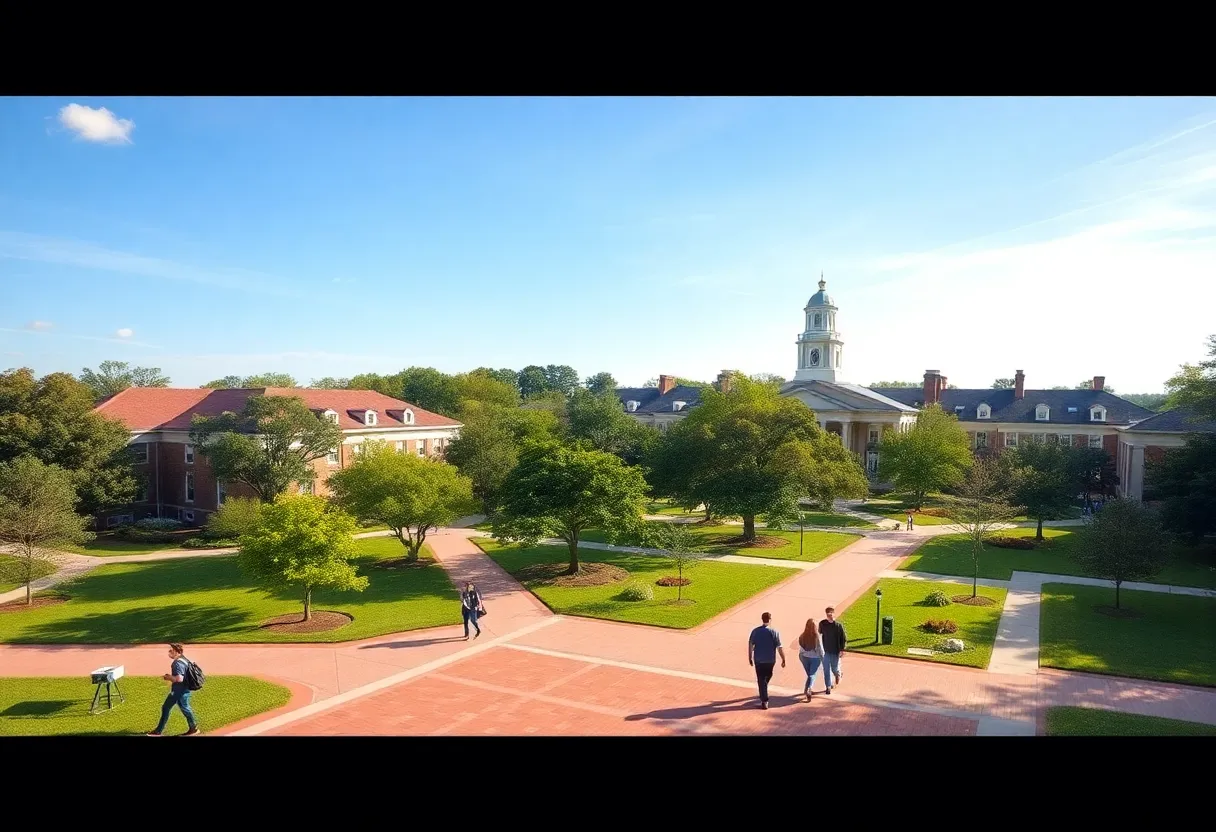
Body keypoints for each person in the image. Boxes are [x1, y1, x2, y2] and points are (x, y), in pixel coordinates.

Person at [147, 642, 200, 736]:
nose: (169, 652)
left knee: (166, 707)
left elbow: (179, 678)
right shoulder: (184, 660)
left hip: (178, 691)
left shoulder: (177, 663)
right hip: (185, 689)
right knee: (185, 708)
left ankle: (158, 731)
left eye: (171, 650)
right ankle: (193, 728)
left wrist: (169, 677)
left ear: (176, 651)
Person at [747, 611, 786, 709]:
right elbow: (779, 647)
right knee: (766, 677)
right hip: (770, 660)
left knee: (762, 679)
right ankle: (764, 699)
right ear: (770, 619)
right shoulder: (774, 632)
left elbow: (751, 644)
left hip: (759, 660)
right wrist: (783, 658)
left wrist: (750, 657)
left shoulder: (755, 631)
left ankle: (763, 694)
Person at [818, 607, 847, 695]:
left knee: (834, 669)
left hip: (835, 651)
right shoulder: (822, 624)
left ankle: (838, 674)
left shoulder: (838, 626)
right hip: (826, 651)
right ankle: (828, 686)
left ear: (834, 614)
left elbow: (843, 638)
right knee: (826, 669)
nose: (830, 616)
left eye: (831, 614)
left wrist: (842, 650)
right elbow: (820, 632)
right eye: (828, 614)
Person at [795, 618, 824, 702]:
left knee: (810, 675)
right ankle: (808, 689)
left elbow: (801, 646)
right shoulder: (817, 637)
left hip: (804, 657)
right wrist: (823, 659)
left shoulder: (802, 635)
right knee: (812, 674)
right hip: (815, 658)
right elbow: (820, 649)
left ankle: (806, 689)